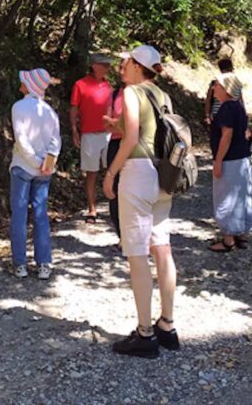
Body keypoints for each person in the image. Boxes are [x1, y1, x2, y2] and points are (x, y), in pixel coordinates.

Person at [103, 45, 180, 358]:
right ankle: (167, 326)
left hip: (138, 175)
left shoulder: (133, 93)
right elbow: (152, 131)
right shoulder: (163, 95)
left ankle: (144, 334)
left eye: (127, 61)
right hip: (164, 177)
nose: (123, 65)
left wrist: (111, 173)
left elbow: (133, 139)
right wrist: (116, 125)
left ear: (137, 65)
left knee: (136, 254)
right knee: (162, 249)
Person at [10, 68, 61, 280]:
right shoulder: (50, 111)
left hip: (23, 166)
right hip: (45, 170)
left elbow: (21, 140)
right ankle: (43, 264)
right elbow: (56, 142)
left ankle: (20, 264)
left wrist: (34, 162)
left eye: (24, 81)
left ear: (29, 85)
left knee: (19, 216)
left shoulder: (19, 107)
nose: (20, 83)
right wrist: (46, 163)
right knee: (41, 216)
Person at [208, 73, 252, 252]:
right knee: (242, 196)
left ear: (226, 89)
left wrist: (218, 161)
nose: (214, 88)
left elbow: (226, 136)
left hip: (230, 160)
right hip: (242, 158)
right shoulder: (239, 106)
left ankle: (228, 240)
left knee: (225, 197)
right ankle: (242, 234)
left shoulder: (226, 108)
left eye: (217, 85)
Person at [70, 53, 114, 223]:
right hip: (89, 135)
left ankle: (114, 207)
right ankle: (92, 209)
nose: (108, 69)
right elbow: (74, 108)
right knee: (92, 173)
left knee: (112, 170)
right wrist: (74, 129)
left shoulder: (108, 86)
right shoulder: (80, 85)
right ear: (95, 66)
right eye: (105, 65)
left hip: (108, 134)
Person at [102, 55, 129, 245]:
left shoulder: (141, 94)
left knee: (132, 191)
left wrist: (117, 125)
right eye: (120, 67)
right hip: (115, 144)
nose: (121, 71)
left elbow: (134, 128)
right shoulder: (114, 94)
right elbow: (107, 122)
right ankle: (122, 237)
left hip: (136, 147)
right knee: (114, 192)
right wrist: (119, 125)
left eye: (124, 67)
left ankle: (135, 237)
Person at [204, 58, 241, 128]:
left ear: (220, 69)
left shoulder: (215, 82)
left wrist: (207, 116)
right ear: (231, 69)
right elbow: (240, 101)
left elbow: (208, 100)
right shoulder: (237, 83)